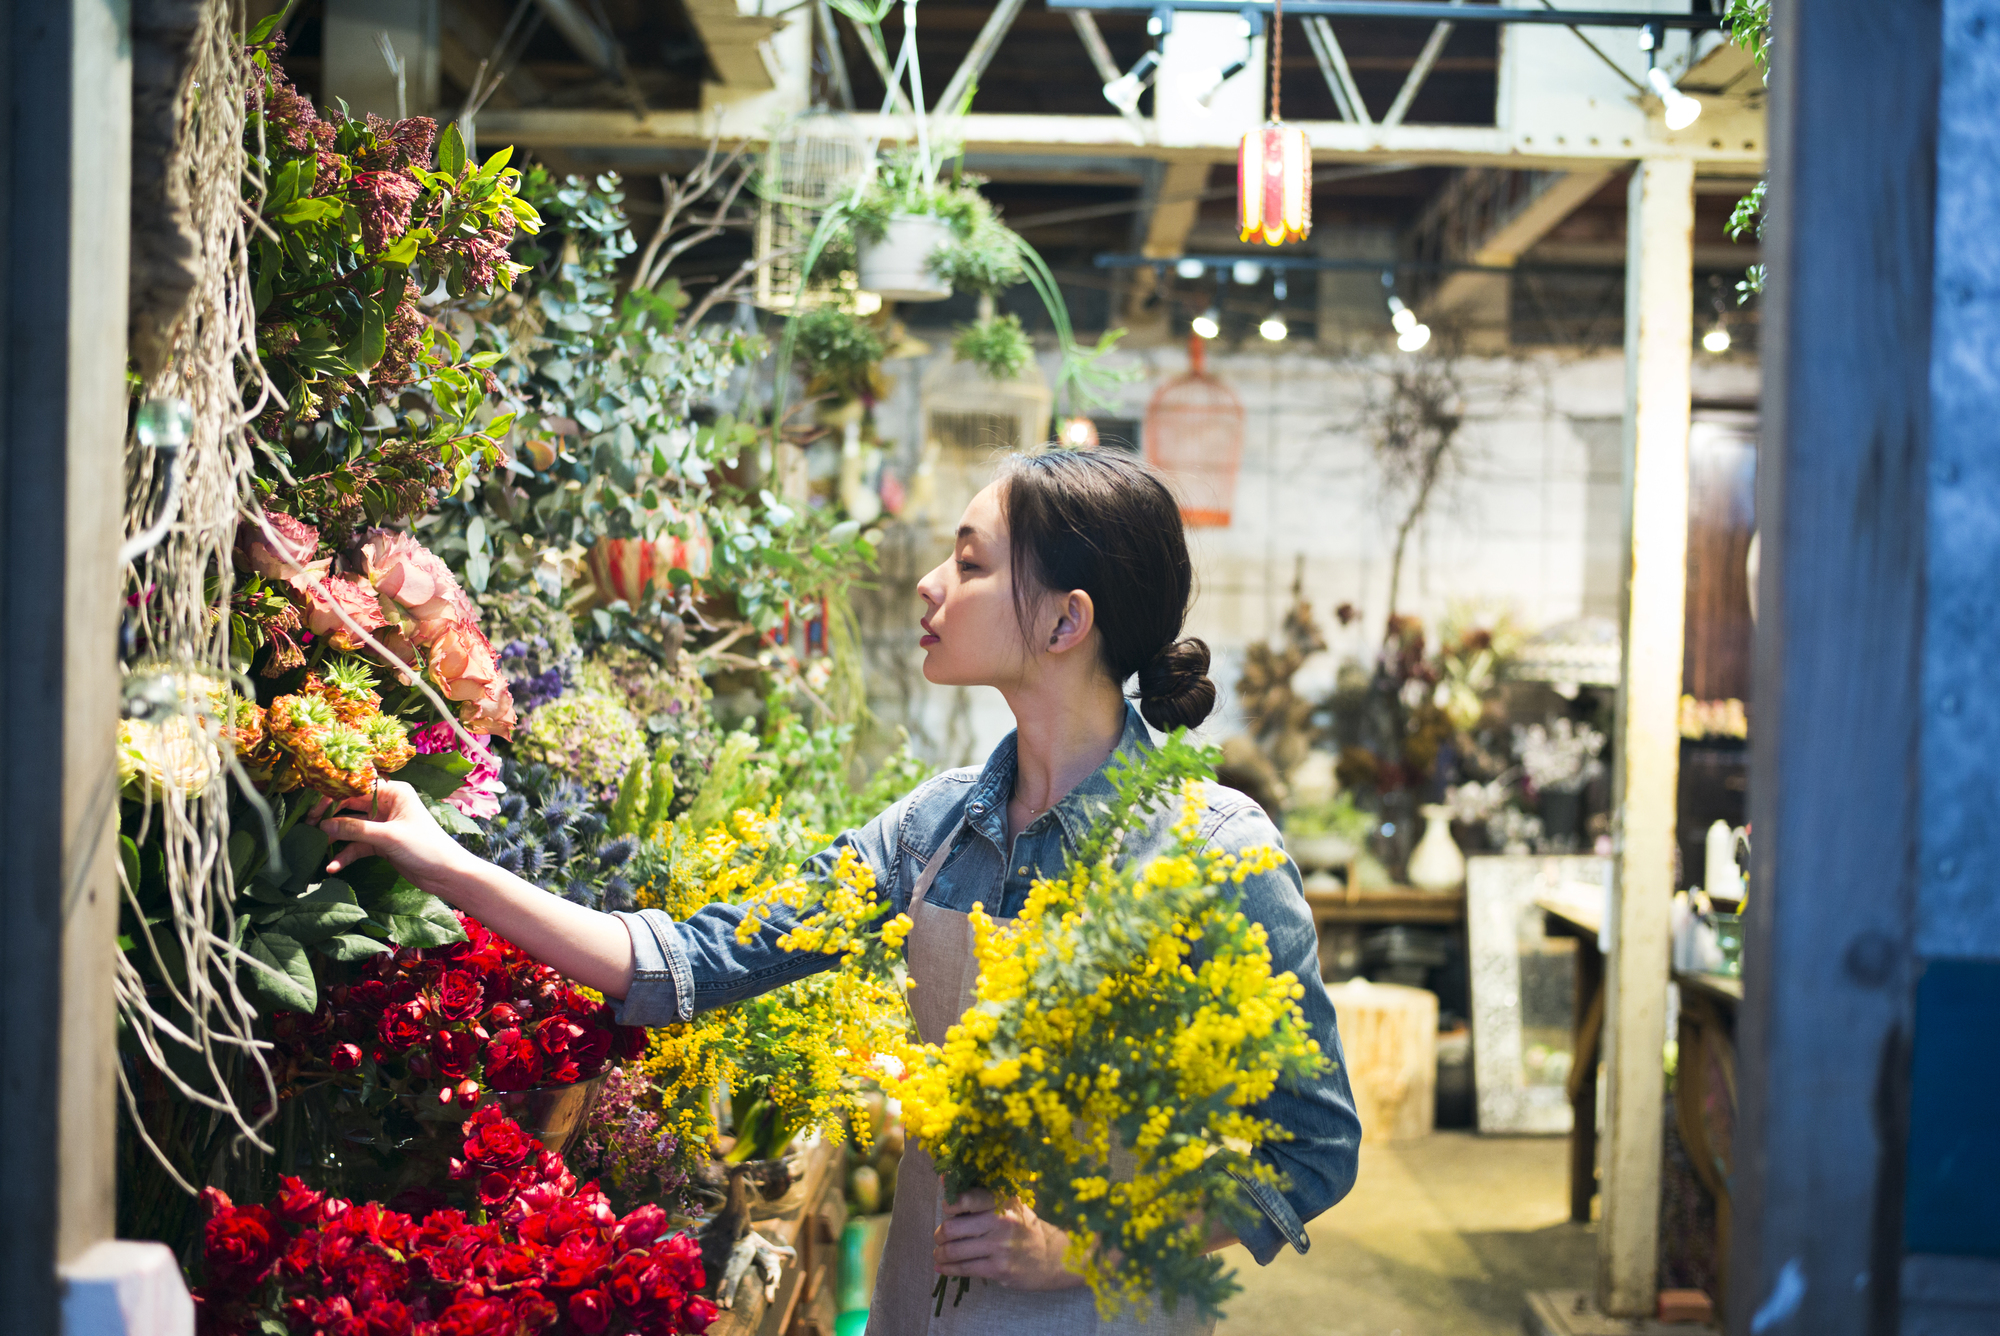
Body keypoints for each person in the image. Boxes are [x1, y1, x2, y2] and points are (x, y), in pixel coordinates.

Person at [319, 448, 1362, 1335]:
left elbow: (1312, 1154)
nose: (926, 584)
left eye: (967, 563)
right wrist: (441, 858)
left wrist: (1085, 1244)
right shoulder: (935, 829)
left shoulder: (1210, 852)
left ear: (1062, 624)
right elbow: (692, 961)